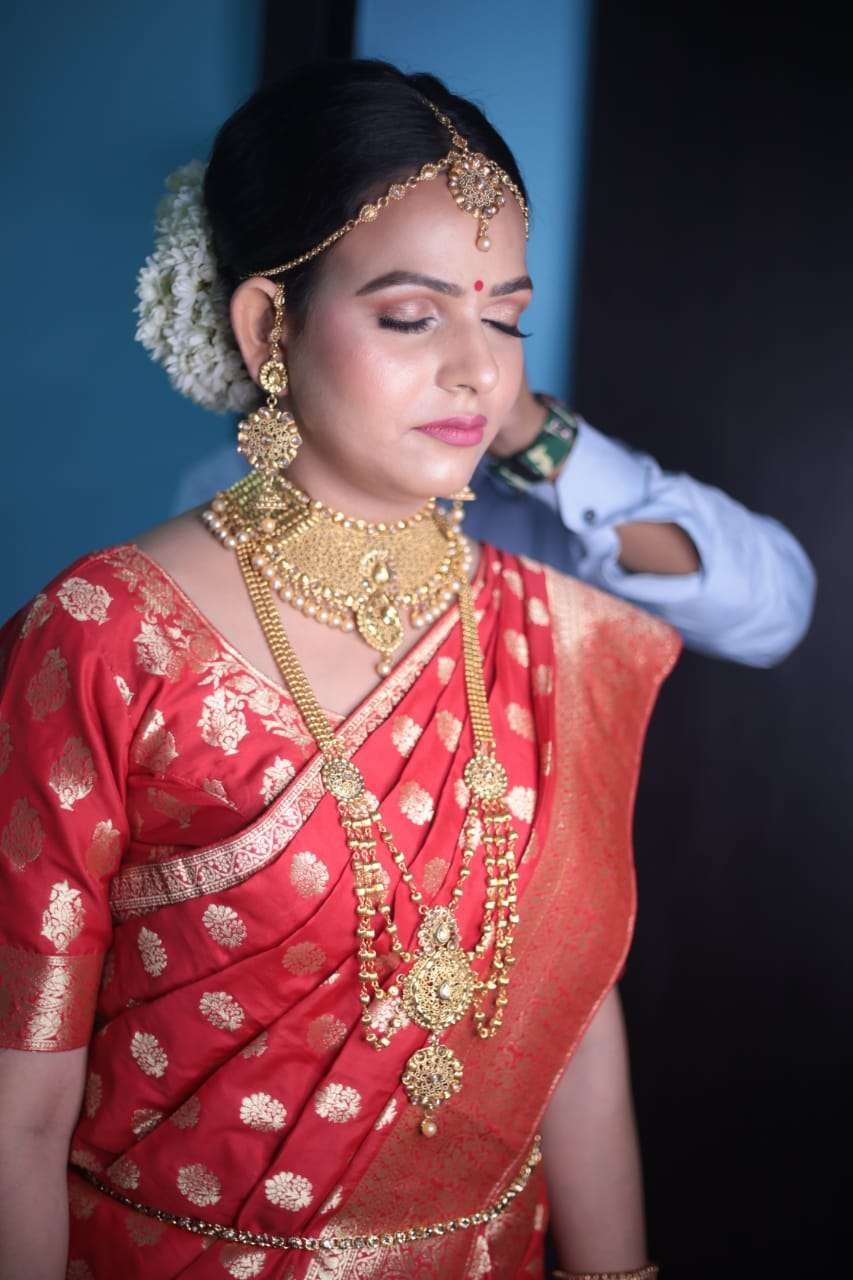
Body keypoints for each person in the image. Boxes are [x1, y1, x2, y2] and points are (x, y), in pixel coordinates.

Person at [1, 59, 694, 1280]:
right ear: (267, 328)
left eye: (506, 318)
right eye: (413, 316)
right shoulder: (106, 637)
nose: (480, 372)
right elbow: (19, 1111)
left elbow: (572, 1018)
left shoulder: (549, 637)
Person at [174, 368, 816, 673]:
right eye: (408, 316)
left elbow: (773, 613)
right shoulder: (225, 498)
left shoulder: (523, 483)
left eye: (502, 319)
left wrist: (538, 442)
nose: (474, 359)